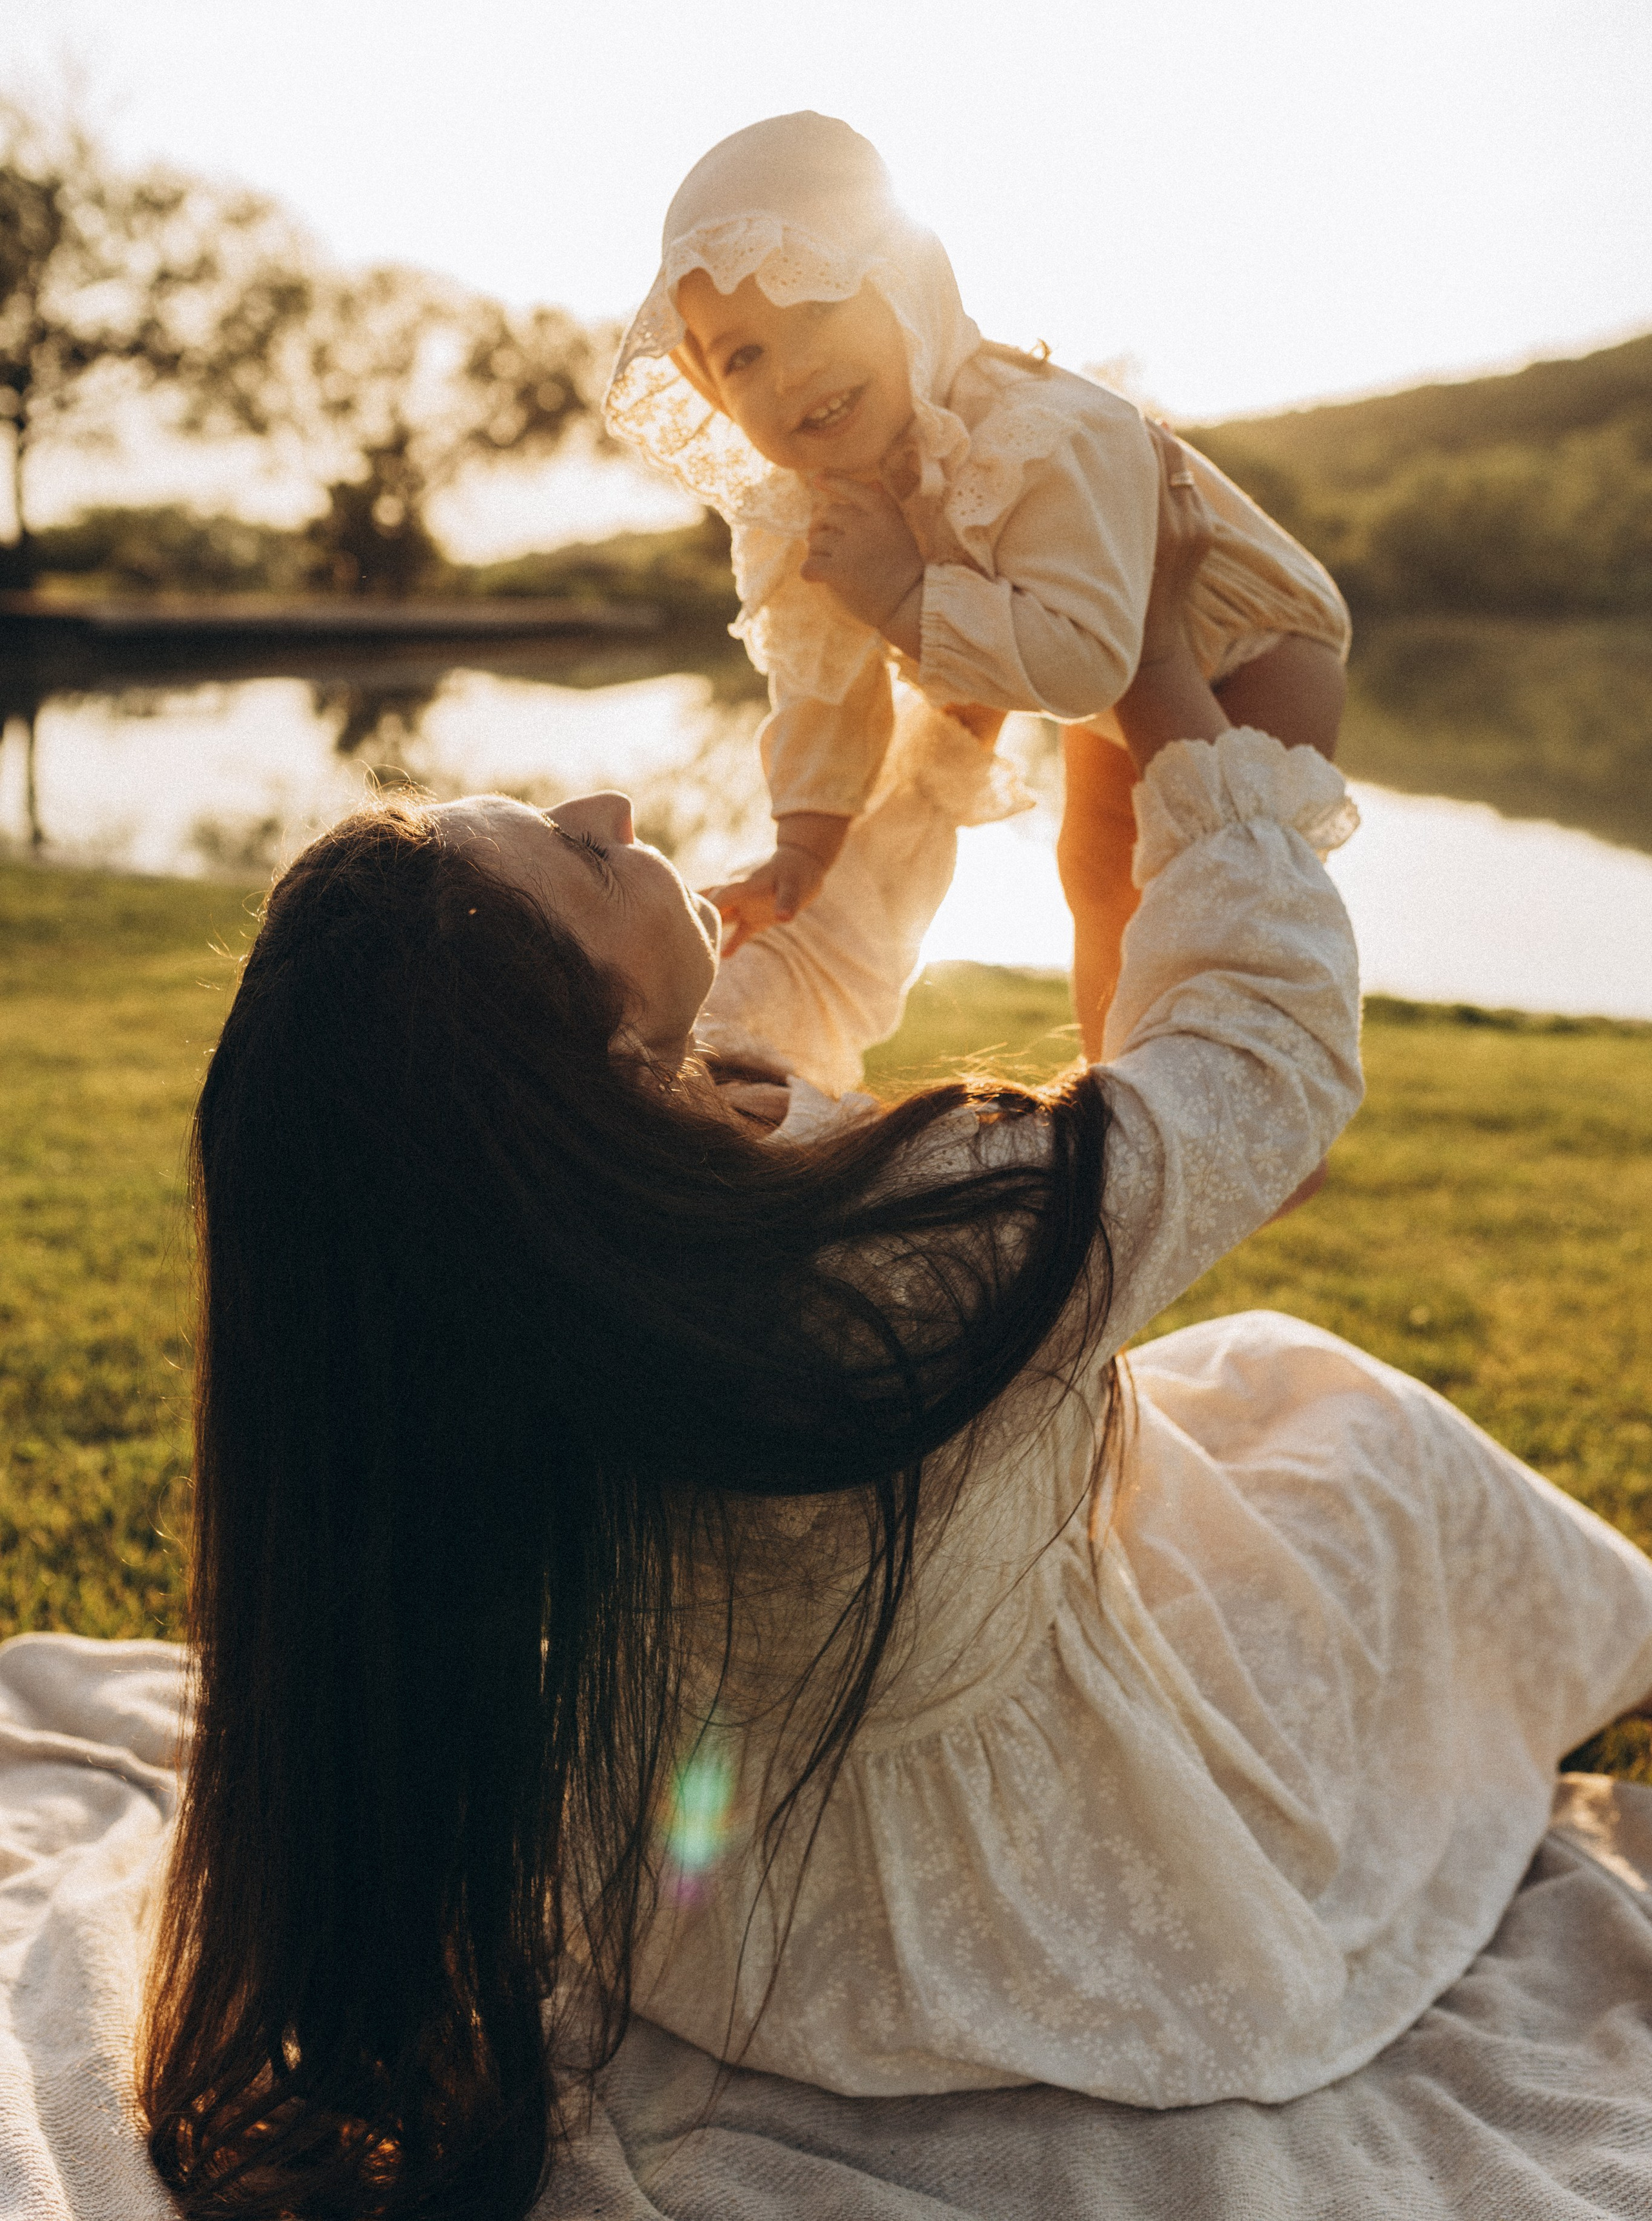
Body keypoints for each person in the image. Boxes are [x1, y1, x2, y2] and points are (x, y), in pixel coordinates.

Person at [139, 454, 1652, 2221]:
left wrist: (942, 738)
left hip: (729, 1924)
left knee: (1240, 1396)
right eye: (572, 853)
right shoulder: (906, 1255)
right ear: (594, 1059)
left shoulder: (535, 1254)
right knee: (1355, 1433)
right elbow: (1259, 1061)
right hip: (1036, 1911)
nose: (617, 803)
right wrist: (1161, 673)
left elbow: (832, 964)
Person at [605, 109, 1352, 1052]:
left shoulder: (1037, 432)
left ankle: (1254, 1056)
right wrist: (805, 840)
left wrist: (907, 600)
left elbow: (1084, 662)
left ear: (903, 284)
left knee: (1215, 875)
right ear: (712, 391)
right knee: (1094, 875)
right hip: (1118, 659)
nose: (792, 371)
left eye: (818, 303)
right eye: (744, 355)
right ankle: (1119, 1085)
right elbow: (823, 684)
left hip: (1257, 641)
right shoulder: (815, 501)